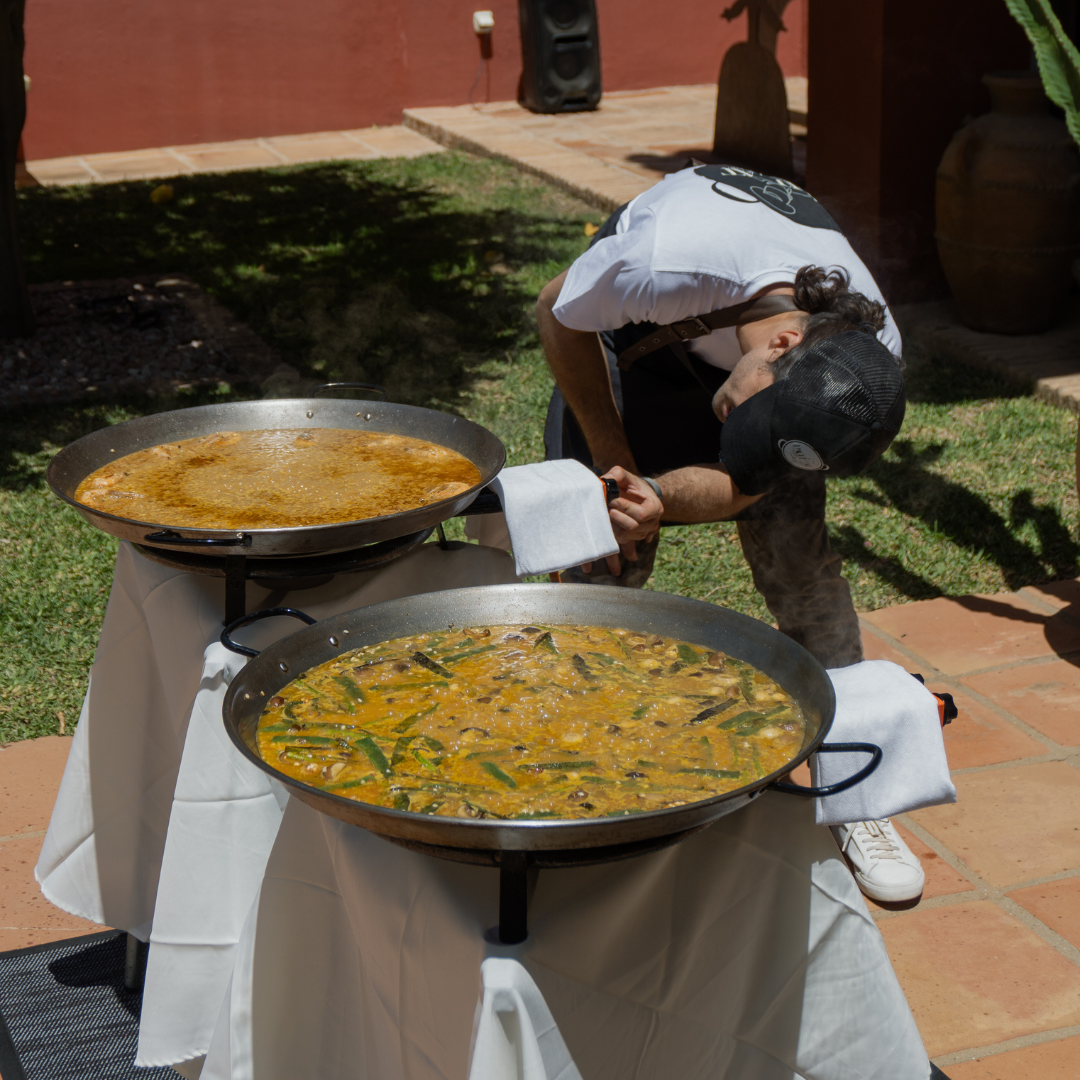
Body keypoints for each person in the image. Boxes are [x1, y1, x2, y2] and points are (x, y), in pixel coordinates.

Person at [535, 163, 924, 904]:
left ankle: (854, 784)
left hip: (737, 366)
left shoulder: (859, 373)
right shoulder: (664, 262)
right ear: (782, 341)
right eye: (757, 427)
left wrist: (663, 494)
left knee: (803, 570)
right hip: (628, 356)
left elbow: (749, 482)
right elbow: (557, 311)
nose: (749, 444)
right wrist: (619, 464)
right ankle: (567, 778)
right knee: (598, 562)